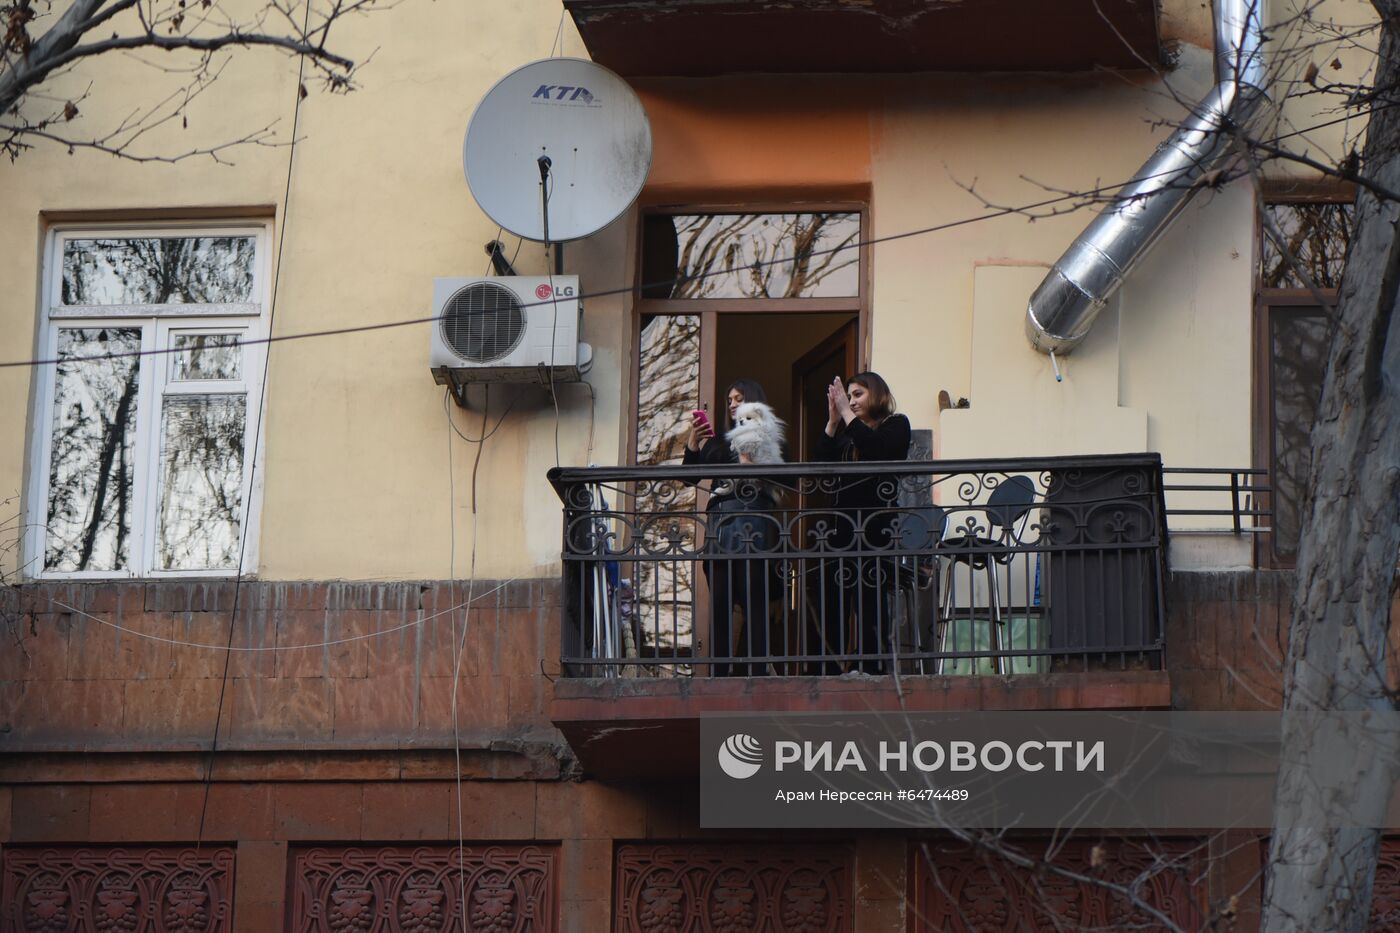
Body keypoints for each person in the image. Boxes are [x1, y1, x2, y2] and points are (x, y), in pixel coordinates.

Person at [811, 371, 911, 674]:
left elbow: (879, 449)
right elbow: (819, 467)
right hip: (840, 530)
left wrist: (845, 413)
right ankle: (827, 672)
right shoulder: (846, 436)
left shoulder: (896, 424)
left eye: (858, 395)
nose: (851, 401)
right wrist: (832, 420)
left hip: (875, 530)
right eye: (849, 395)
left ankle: (873, 669)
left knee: (870, 603)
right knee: (832, 603)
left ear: (877, 394)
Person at [683, 379, 781, 676]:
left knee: (754, 595)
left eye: (739, 398)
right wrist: (693, 441)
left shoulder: (767, 433)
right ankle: (721, 671)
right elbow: (688, 479)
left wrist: (747, 456)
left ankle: (756, 669)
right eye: (729, 400)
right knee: (722, 600)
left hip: (755, 519)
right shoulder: (718, 440)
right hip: (721, 521)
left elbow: (777, 476)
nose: (733, 403)